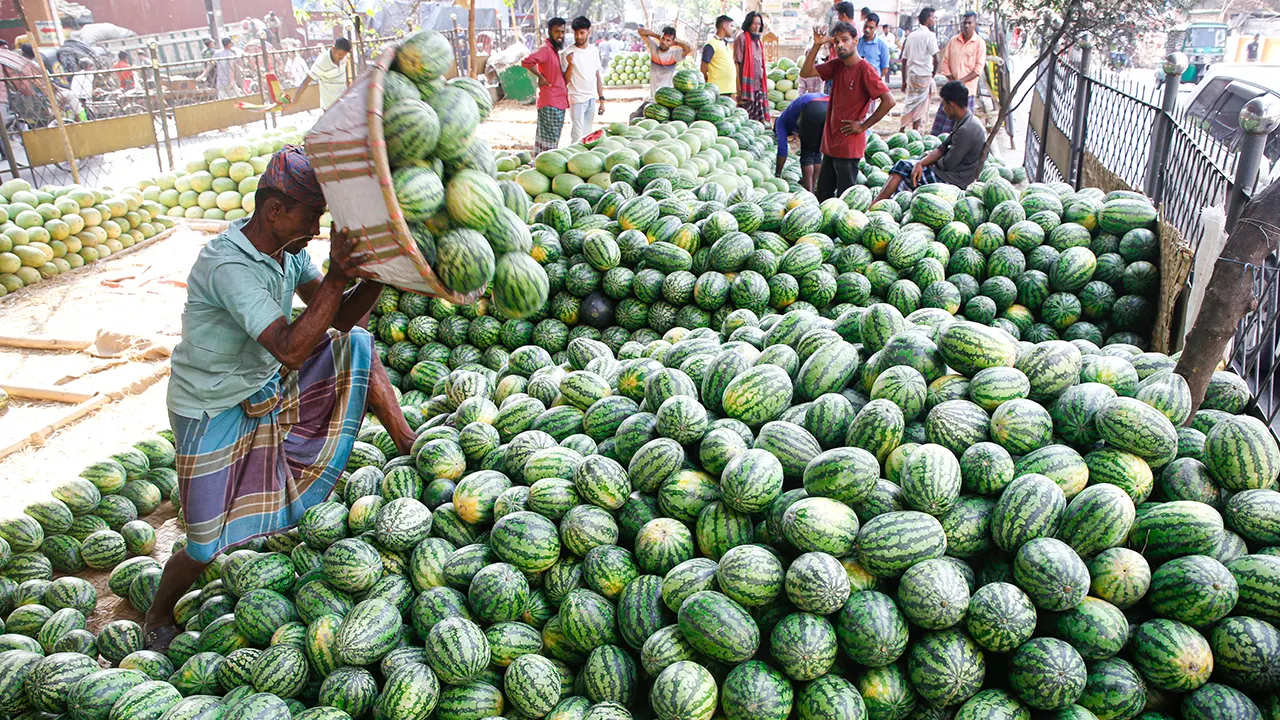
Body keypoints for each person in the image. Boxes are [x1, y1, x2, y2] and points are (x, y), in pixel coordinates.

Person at [141, 147, 413, 653]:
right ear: (276, 210)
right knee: (203, 541)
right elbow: (289, 348)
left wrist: (377, 272)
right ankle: (158, 613)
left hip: (263, 385)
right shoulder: (227, 264)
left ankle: (407, 442)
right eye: (312, 217)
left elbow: (340, 319)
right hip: (211, 405)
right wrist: (337, 274)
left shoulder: (287, 253)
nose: (316, 228)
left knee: (353, 347)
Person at [801, 22, 895, 200]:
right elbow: (805, 73)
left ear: (855, 41)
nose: (840, 45)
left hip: (849, 145)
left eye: (844, 40)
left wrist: (863, 126)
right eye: (836, 42)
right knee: (823, 195)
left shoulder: (866, 70)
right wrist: (816, 45)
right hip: (830, 143)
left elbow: (889, 101)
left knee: (846, 198)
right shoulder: (836, 65)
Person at [874, 81, 985, 202]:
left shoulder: (967, 130)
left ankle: (874, 205)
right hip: (950, 173)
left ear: (951, 104)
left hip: (953, 180)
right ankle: (888, 204)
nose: (943, 109)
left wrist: (927, 164)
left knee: (903, 167)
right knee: (908, 171)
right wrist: (921, 163)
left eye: (944, 104)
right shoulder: (965, 119)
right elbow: (942, 148)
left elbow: (948, 164)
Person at [523, 18, 571, 155]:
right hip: (550, 101)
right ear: (550, 32)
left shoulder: (554, 49)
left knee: (552, 139)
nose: (560, 35)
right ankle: (542, 164)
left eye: (562, 32)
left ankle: (542, 163)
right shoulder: (545, 49)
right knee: (549, 140)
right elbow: (526, 61)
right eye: (557, 32)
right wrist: (540, 76)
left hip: (558, 100)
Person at [932, 11, 984, 135]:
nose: (966, 26)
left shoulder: (979, 44)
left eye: (969, 23)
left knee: (962, 128)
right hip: (951, 89)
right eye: (964, 23)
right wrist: (952, 80)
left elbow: (977, 70)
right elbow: (945, 62)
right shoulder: (953, 40)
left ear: (975, 24)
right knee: (941, 126)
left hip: (967, 92)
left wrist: (959, 82)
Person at [562, 16, 605, 144]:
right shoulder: (567, 53)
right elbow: (565, 80)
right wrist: (570, 64)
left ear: (588, 32)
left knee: (588, 134)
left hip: (591, 98)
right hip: (576, 99)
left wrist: (601, 99)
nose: (578, 36)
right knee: (577, 134)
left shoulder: (594, 51)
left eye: (582, 33)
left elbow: (597, 75)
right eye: (576, 33)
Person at [775, 92, 829, 191]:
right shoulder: (791, 117)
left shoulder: (780, 122)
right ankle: (812, 186)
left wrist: (778, 173)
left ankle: (809, 190)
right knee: (817, 151)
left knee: (807, 152)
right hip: (829, 104)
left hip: (812, 106)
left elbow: (782, 149)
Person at [898, 7, 939, 132]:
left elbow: (904, 60)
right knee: (920, 106)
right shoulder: (930, 36)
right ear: (927, 20)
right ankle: (914, 132)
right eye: (933, 17)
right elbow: (936, 59)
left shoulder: (911, 36)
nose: (934, 20)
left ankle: (902, 129)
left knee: (910, 103)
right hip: (924, 75)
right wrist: (933, 74)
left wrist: (904, 80)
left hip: (912, 75)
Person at [293, 37, 351, 110]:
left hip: (343, 103)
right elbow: (306, 82)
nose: (342, 57)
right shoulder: (322, 62)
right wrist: (294, 100)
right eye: (340, 55)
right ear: (333, 49)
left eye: (344, 55)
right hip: (330, 107)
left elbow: (346, 71)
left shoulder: (343, 57)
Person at [639, 26, 692, 99]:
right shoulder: (654, 48)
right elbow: (640, 31)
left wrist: (676, 43)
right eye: (663, 38)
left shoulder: (674, 54)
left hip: (667, 96)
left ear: (672, 42)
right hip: (653, 96)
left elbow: (688, 48)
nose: (664, 42)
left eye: (668, 40)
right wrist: (658, 36)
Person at [734, 12, 769, 121]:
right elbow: (737, 63)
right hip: (746, 88)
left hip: (758, 86)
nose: (756, 26)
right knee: (746, 119)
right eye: (754, 24)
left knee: (757, 120)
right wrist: (738, 86)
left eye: (759, 24)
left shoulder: (758, 40)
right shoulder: (742, 38)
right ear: (748, 24)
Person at [701, 15, 736, 96]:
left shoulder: (726, 44)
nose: (733, 29)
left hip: (729, 89)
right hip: (717, 90)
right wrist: (705, 80)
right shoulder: (711, 44)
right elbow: (703, 66)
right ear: (724, 26)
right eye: (731, 26)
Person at [858, 12, 892, 83]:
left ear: (876, 27)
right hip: (858, 82)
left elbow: (884, 69)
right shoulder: (858, 42)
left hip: (873, 83)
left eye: (871, 28)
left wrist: (874, 80)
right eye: (866, 26)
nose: (867, 30)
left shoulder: (882, 45)